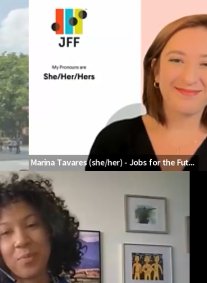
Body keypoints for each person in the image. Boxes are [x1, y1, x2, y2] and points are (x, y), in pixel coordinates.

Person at [86, 14, 207, 171]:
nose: (189, 78)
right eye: (176, 60)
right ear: (155, 70)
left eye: (205, 63)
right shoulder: (113, 140)